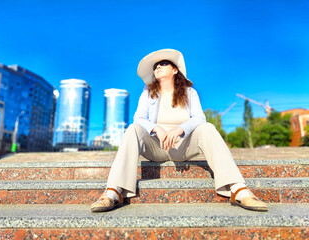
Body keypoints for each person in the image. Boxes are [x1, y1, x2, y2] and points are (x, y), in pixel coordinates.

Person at [91, 49, 268, 212]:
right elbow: (139, 118)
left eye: (163, 64)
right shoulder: (147, 93)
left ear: (175, 70)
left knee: (207, 128)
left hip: (183, 147)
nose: (158, 67)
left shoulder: (190, 93)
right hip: (156, 148)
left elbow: (199, 118)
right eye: (155, 66)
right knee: (133, 129)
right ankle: (113, 192)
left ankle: (239, 190)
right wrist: (156, 128)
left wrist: (180, 129)